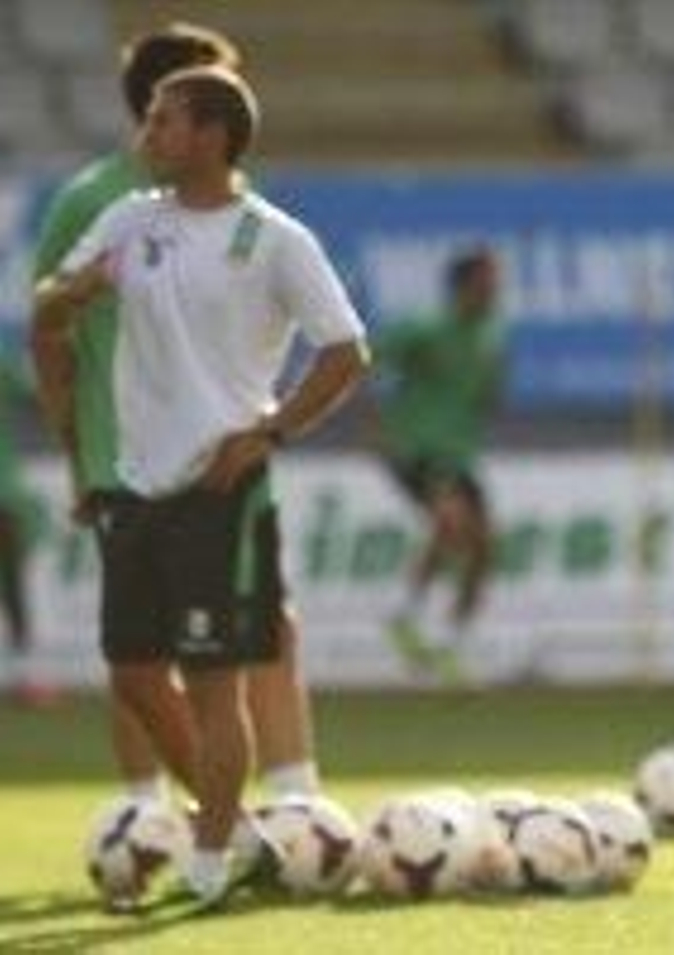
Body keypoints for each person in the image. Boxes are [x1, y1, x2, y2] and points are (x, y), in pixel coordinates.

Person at [32, 65, 369, 906]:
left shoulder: (275, 238)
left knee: (215, 678)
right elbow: (46, 307)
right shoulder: (126, 218)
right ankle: (248, 836)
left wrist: (270, 432)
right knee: (136, 672)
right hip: (132, 483)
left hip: (220, 487)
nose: (146, 134)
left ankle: (212, 860)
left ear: (212, 136)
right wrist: (70, 291)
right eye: (149, 120)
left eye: (163, 121)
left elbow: (345, 351)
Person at [373, 247, 505, 679]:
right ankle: (403, 614)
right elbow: (368, 363)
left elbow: (486, 396)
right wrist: (377, 430)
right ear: (465, 285)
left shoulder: (492, 337)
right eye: (488, 280)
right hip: (418, 447)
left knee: (484, 546)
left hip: (459, 452)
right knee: (450, 521)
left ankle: (453, 644)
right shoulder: (424, 328)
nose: (496, 289)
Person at [0, 354, 51, 706]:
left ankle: (25, 675)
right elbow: (42, 400)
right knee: (14, 586)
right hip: (6, 494)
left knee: (14, 586)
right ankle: (26, 676)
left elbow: (39, 398)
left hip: (5, 494)